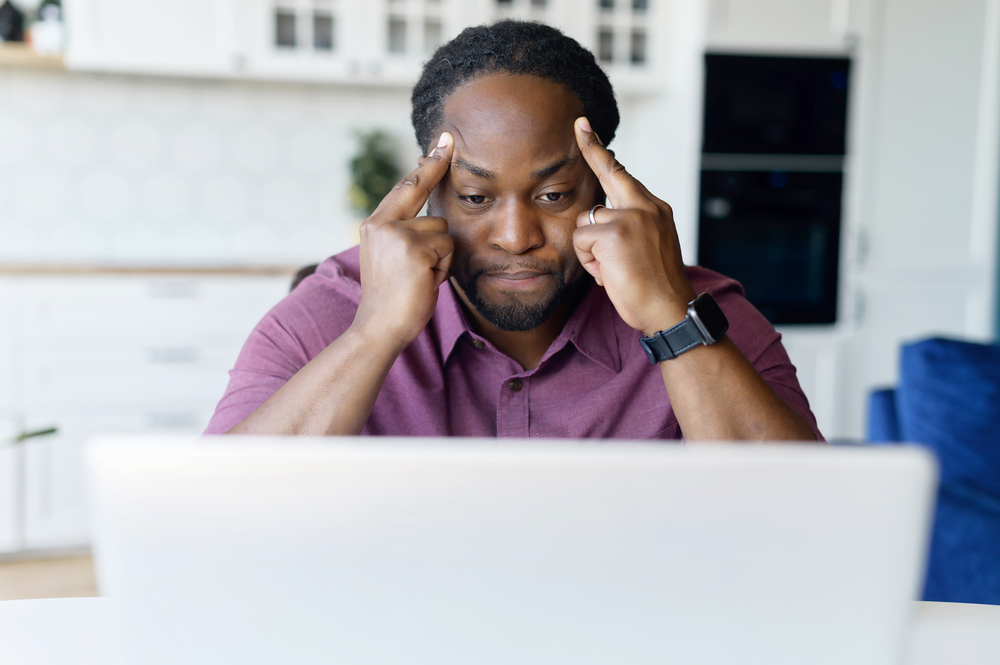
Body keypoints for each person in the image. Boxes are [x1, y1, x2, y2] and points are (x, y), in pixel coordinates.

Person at [205, 20, 822, 442]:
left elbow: (806, 529)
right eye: (475, 196)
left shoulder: (707, 315)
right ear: (427, 192)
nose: (515, 235)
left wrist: (670, 318)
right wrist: (375, 333)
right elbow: (213, 516)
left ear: (603, 189)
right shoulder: (326, 312)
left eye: (553, 194)